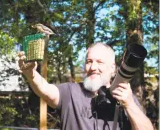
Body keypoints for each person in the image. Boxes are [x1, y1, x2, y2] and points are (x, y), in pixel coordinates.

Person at [18, 42, 154, 130]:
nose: (93, 67)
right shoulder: (70, 92)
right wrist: (30, 73)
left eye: (100, 62)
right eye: (89, 61)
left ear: (113, 68)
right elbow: (45, 89)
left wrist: (129, 105)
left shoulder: (126, 97)